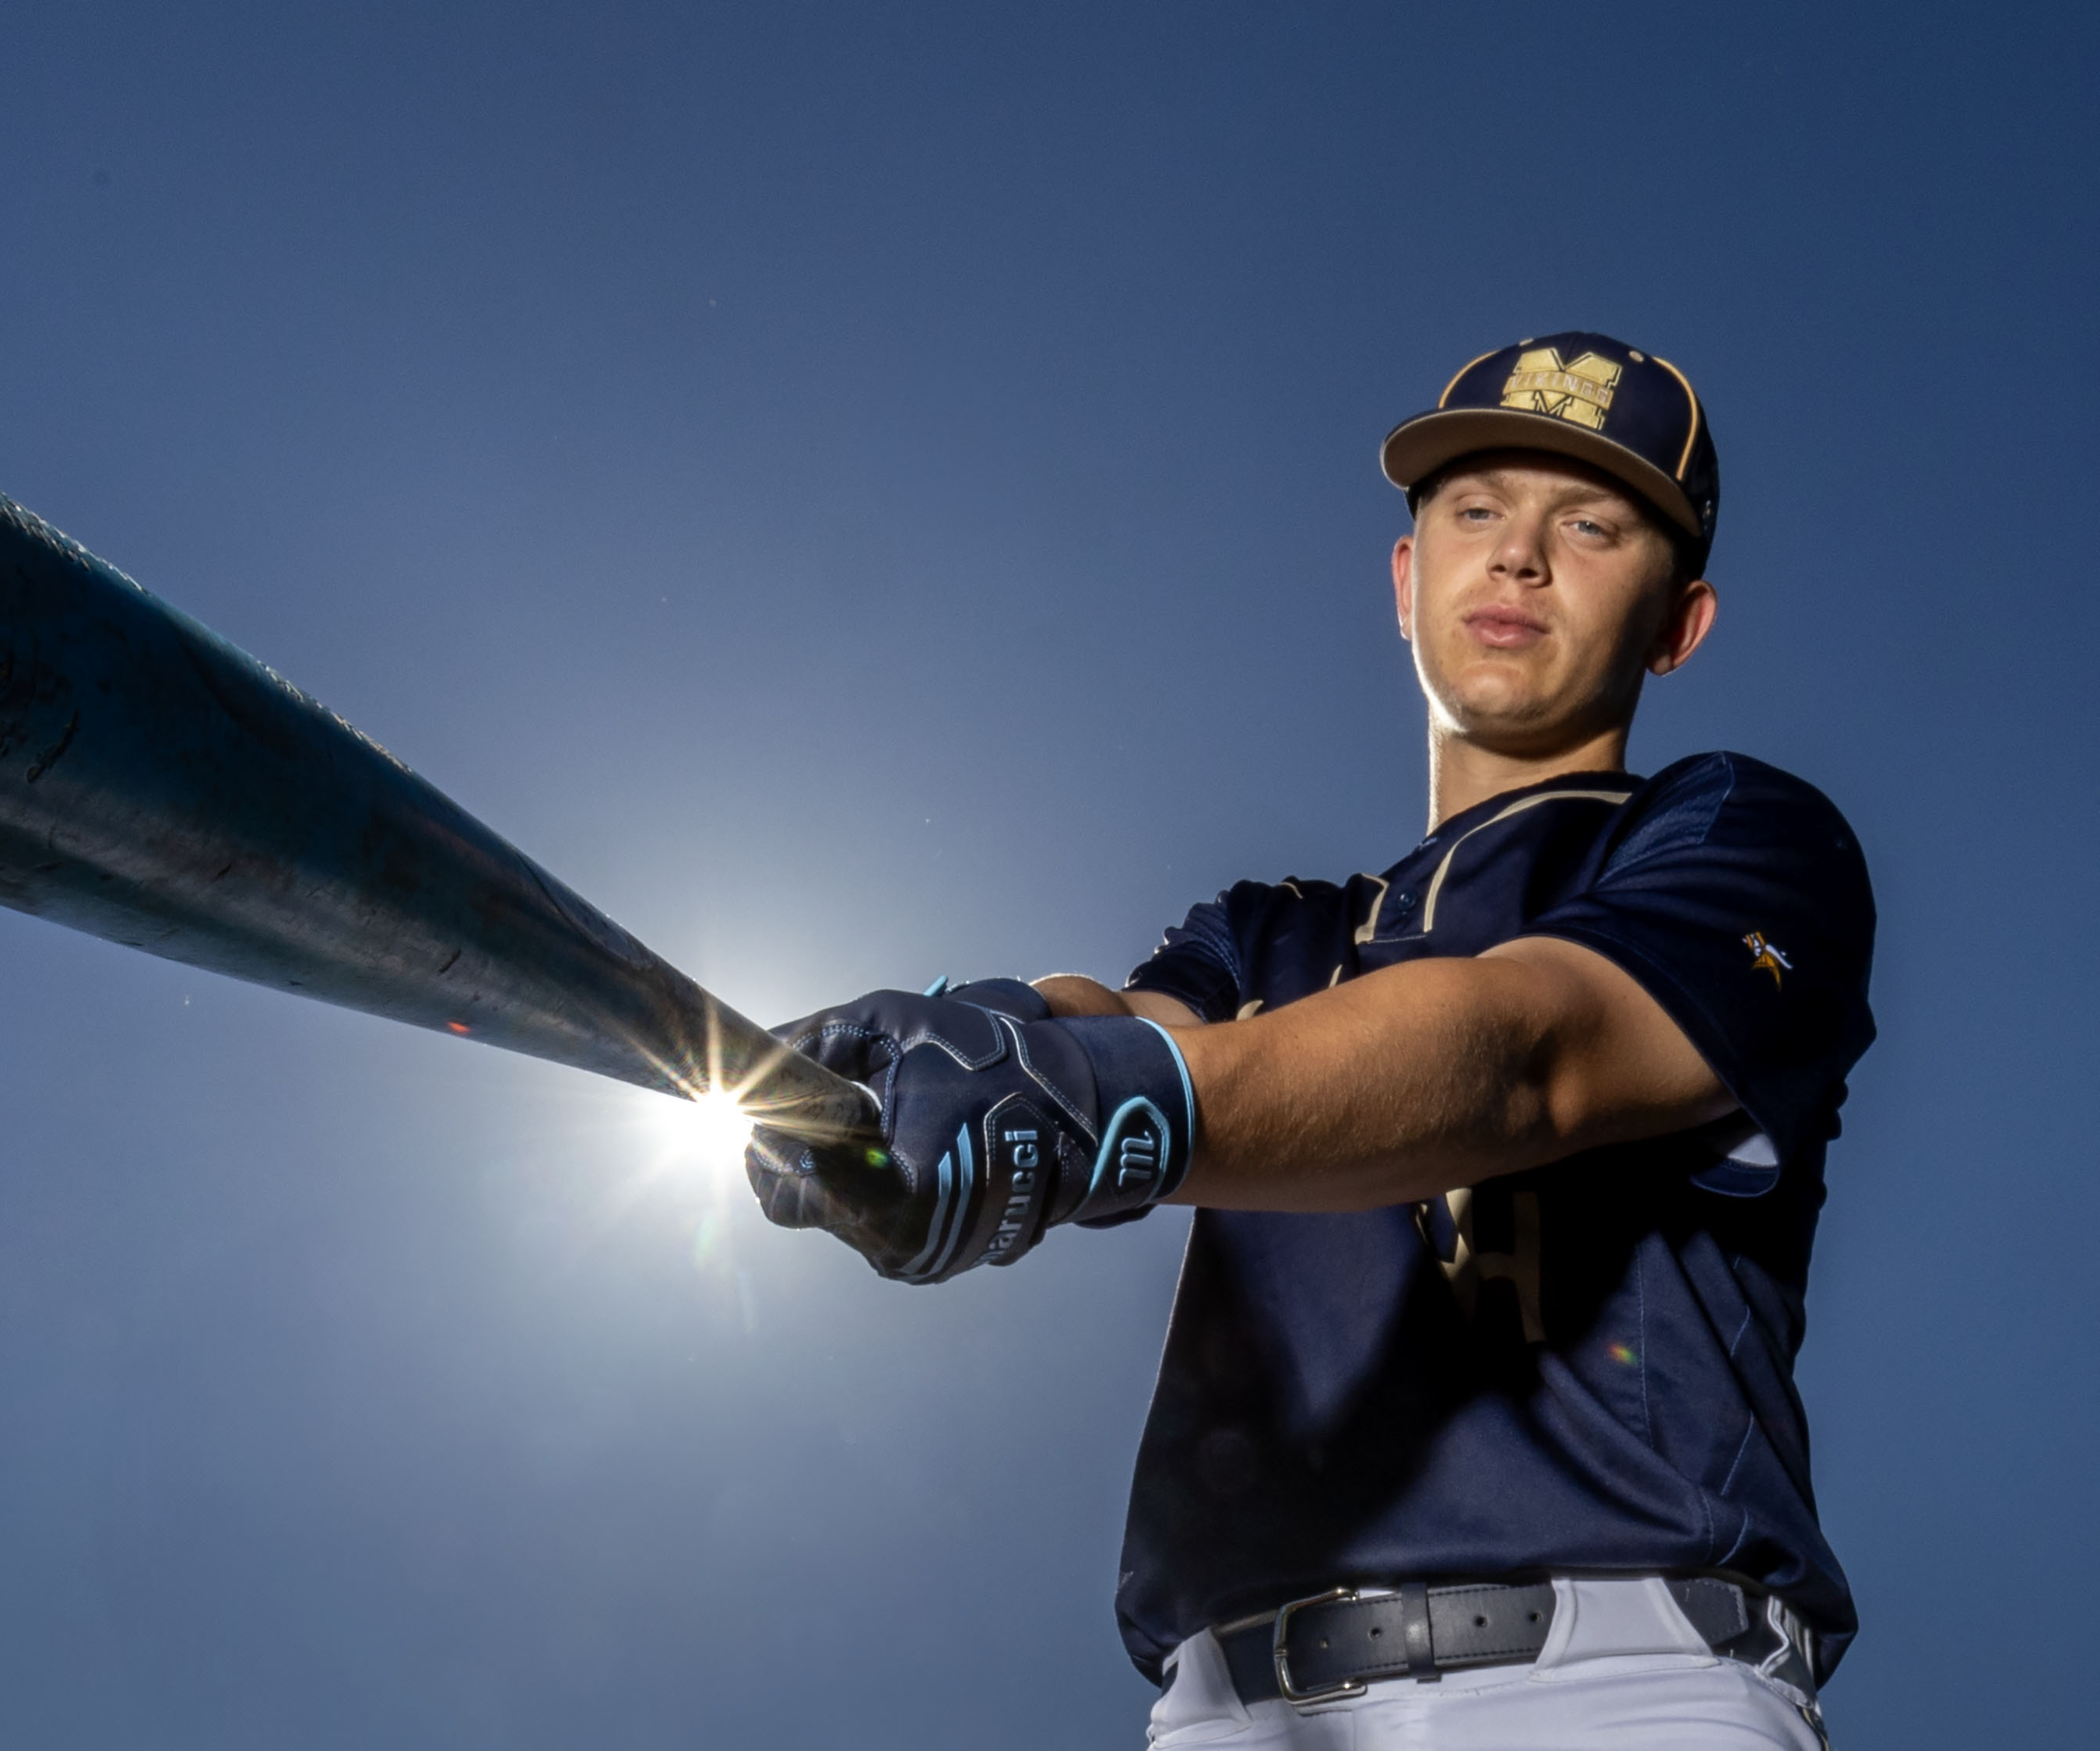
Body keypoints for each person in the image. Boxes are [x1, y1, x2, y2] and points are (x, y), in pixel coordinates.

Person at [745, 333, 1870, 1749]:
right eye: (1474, 510)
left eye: (1589, 524)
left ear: (1677, 622)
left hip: (1615, 1683)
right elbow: (1128, 1023)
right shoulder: (1271, 927)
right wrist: (964, 1042)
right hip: (1227, 1706)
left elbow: (1531, 1051)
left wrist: (1096, 1093)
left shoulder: (1739, 840)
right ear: (1406, 584)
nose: (1517, 558)